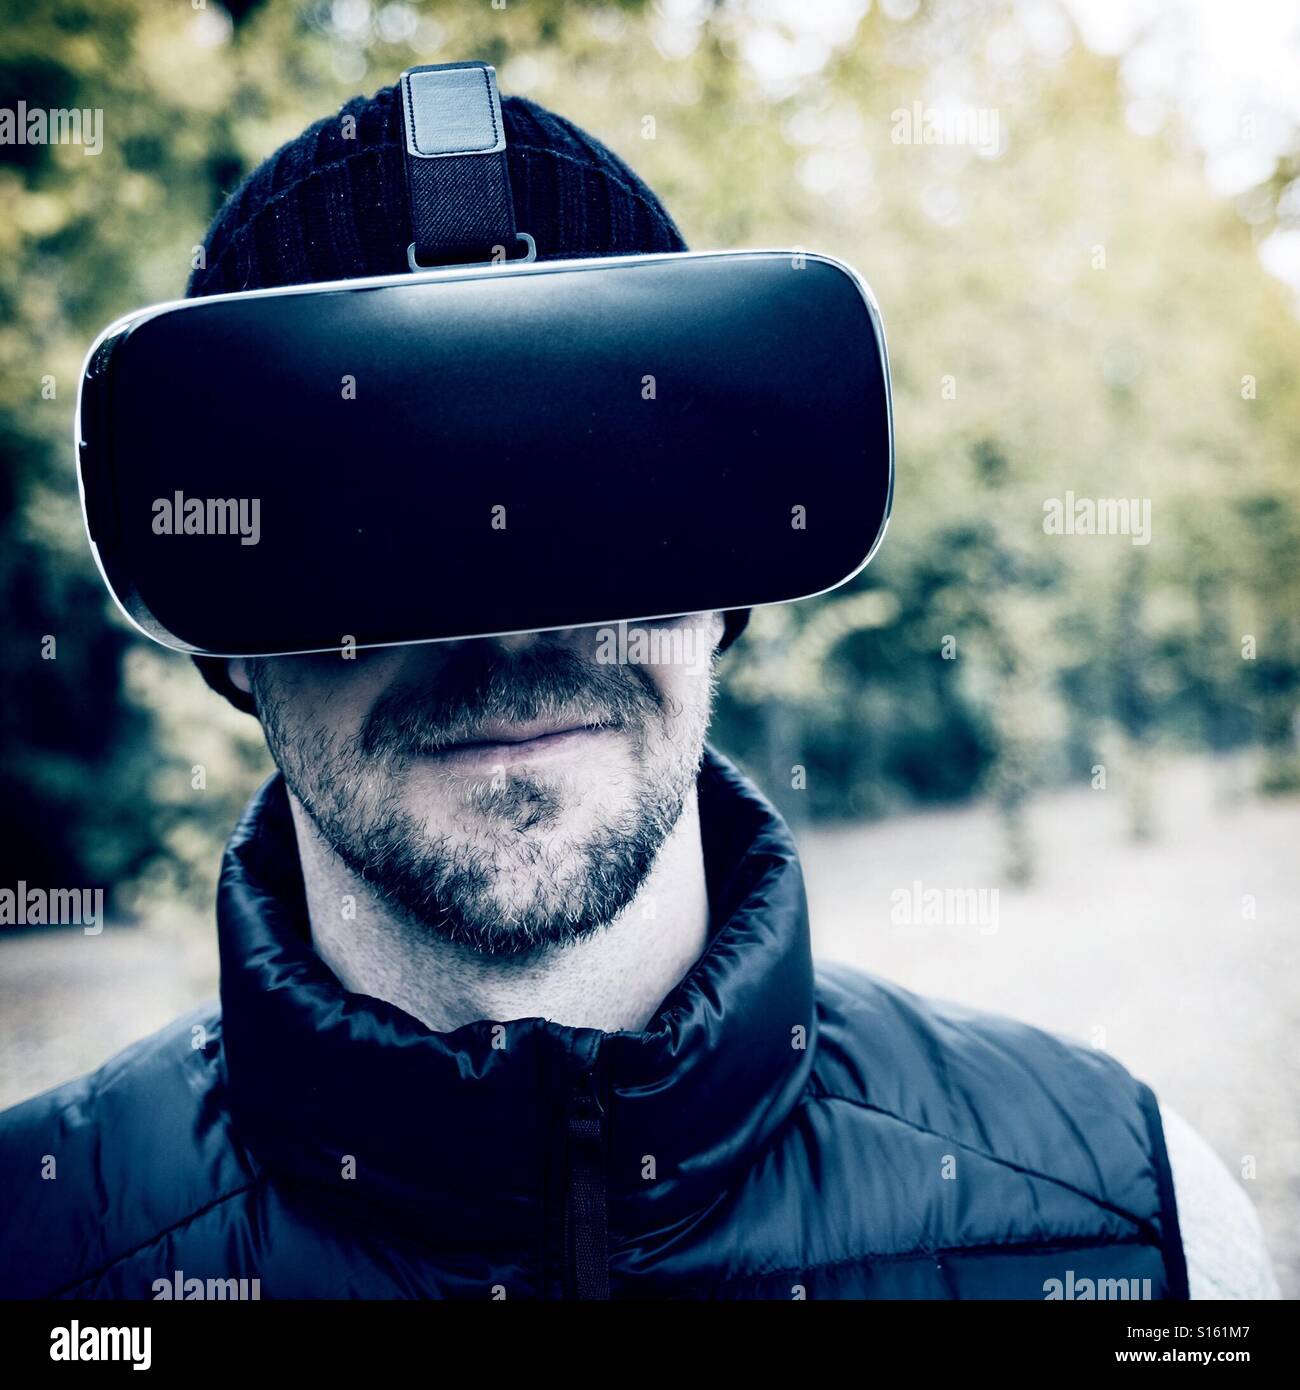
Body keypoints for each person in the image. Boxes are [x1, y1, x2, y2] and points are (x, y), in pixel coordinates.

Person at [0, 76, 1277, 1301]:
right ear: (229, 638)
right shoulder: (33, 1247)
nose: (511, 634)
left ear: (730, 586)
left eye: (604, 506)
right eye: (369, 529)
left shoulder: (1130, 1220)